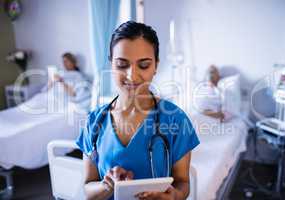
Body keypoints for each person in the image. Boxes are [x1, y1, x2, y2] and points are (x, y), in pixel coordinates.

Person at [76, 21, 200, 200]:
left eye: (143, 65)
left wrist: (174, 197)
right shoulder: (94, 121)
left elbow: (182, 183)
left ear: (156, 66)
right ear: (111, 64)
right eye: (121, 64)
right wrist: (106, 185)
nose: (131, 76)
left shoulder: (176, 120)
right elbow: (88, 188)